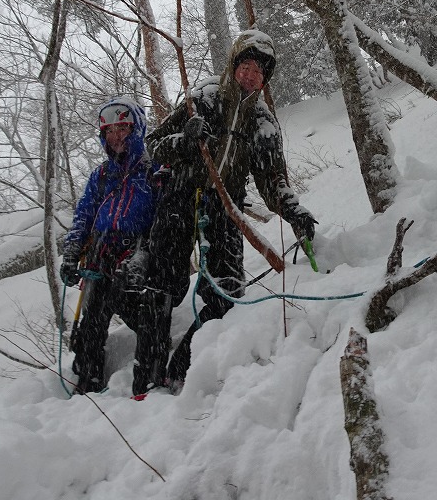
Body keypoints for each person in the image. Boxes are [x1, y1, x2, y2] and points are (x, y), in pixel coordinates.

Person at [129, 30, 318, 393]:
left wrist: (295, 213)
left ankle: (181, 369)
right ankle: (146, 380)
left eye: (259, 72)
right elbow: (153, 146)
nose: (251, 76)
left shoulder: (263, 123)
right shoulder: (204, 97)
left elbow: (273, 181)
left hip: (226, 208)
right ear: (233, 65)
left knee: (228, 292)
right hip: (179, 198)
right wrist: (185, 140)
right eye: (246, 66)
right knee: (163, 285)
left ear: (265, 80)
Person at [59, 97, 161, 394]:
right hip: (99, 255)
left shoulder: (154, 173)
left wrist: (145, 255)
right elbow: (84, 216)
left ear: (136, 130)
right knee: (90, 327)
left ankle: (151, 377)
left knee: (143, 318)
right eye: (110, 131)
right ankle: (87, 387)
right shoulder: (101, 176)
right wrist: (72, 252)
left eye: (122, 129)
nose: (116, 137)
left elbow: (162, 221)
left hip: (133, 253)